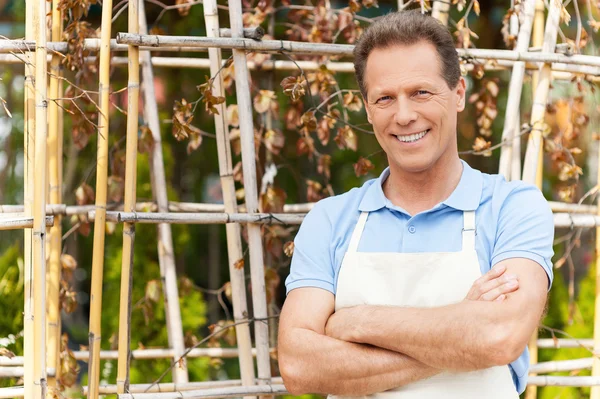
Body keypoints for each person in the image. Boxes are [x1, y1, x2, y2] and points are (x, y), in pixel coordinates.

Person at [277, 10, 554, 399]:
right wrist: (460, 335)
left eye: (421, 93)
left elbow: (498, 337)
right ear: (368, 108)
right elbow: (298, 366)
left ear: (458, 94)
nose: (404, 115)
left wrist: (357, 322)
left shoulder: (513, 207)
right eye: (385, 98)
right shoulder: (330, 219)